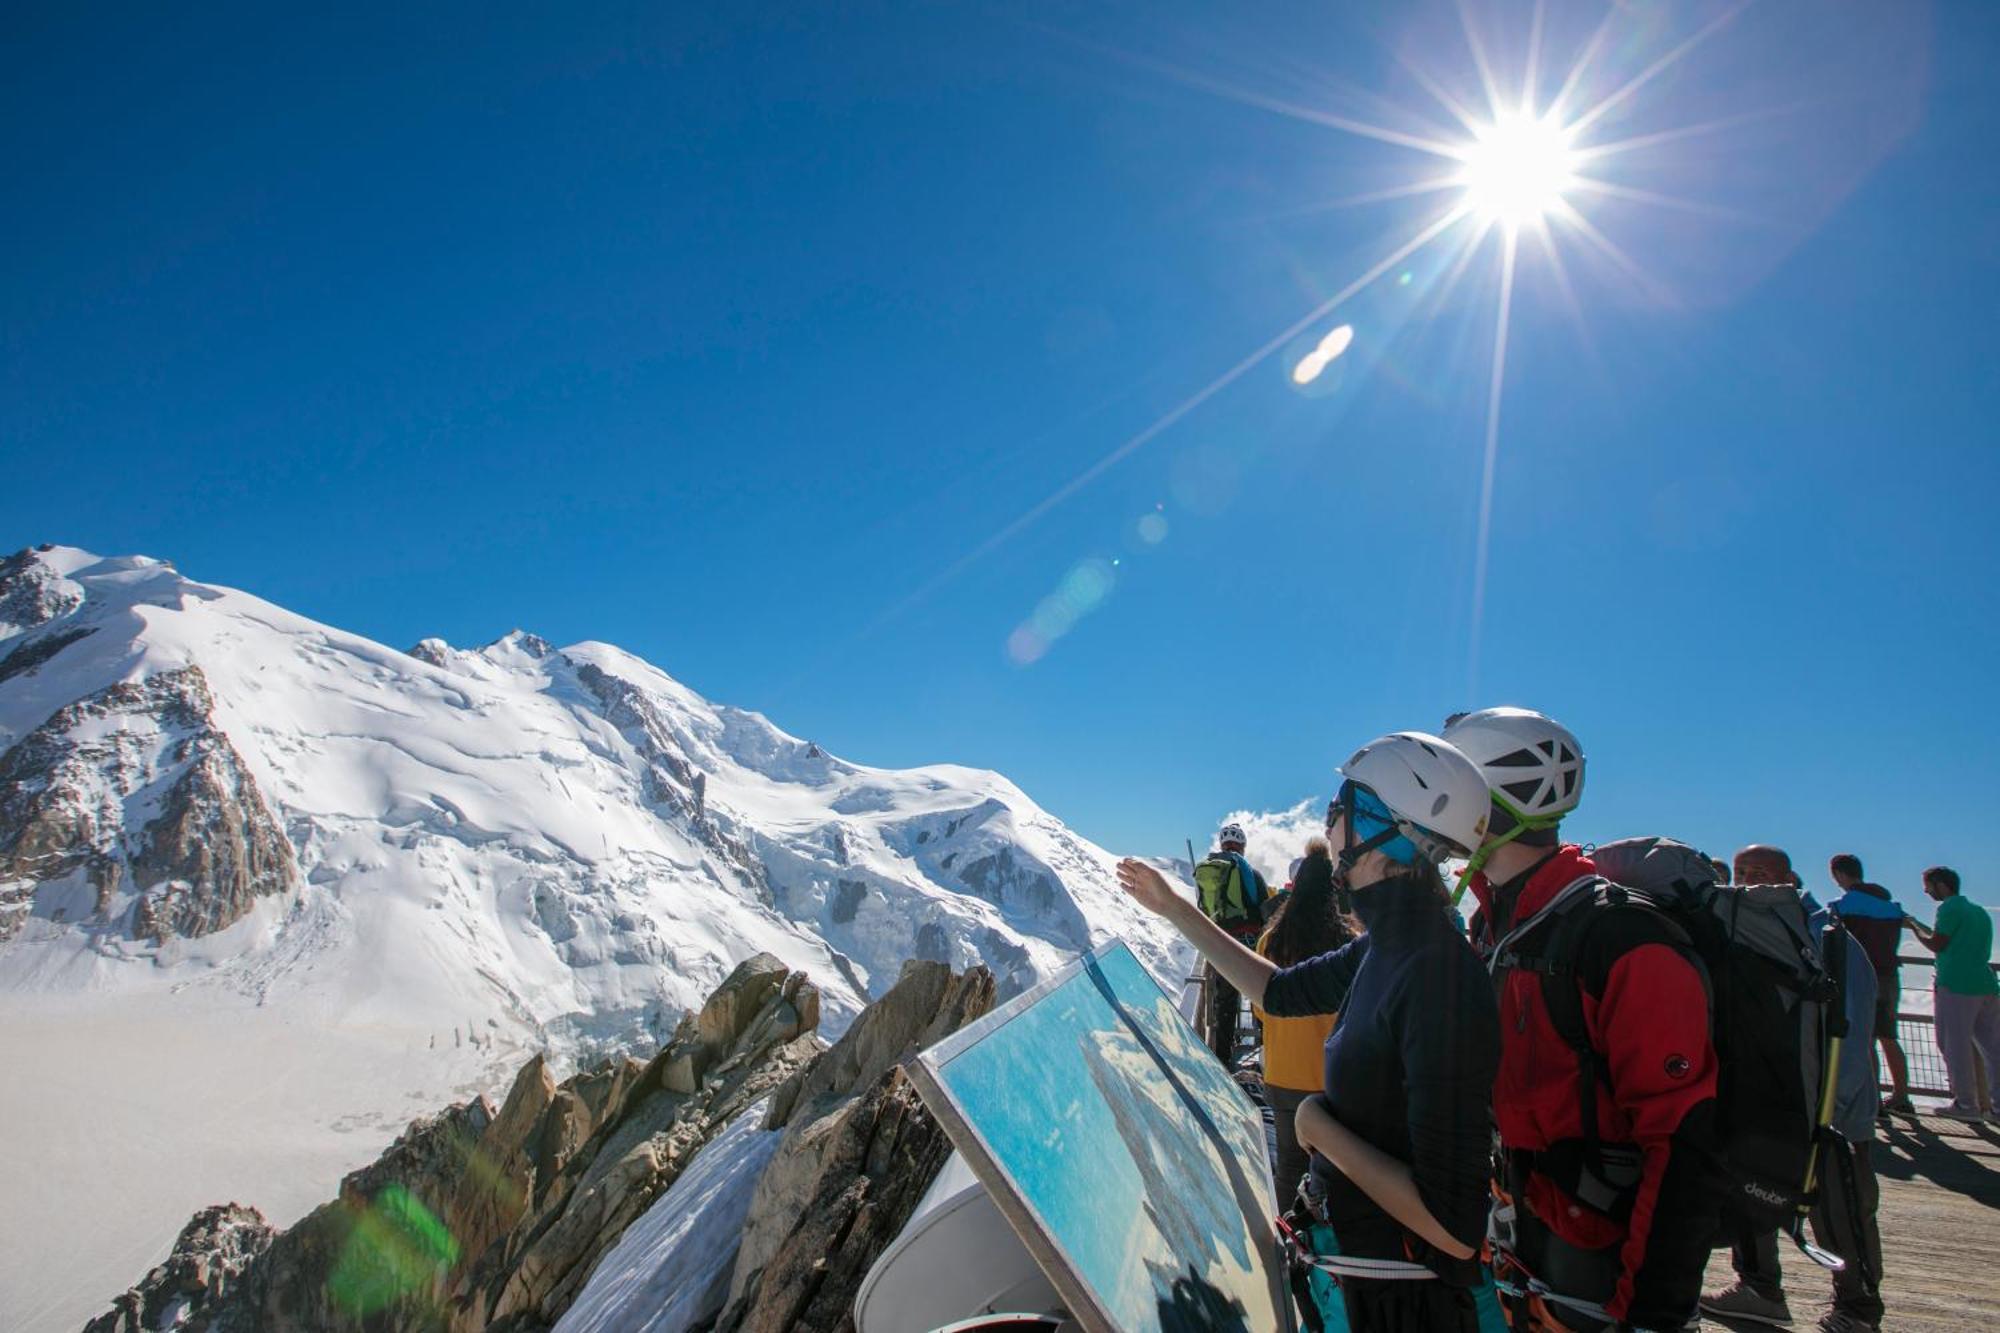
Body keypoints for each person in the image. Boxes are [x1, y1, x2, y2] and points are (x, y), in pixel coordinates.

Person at [1116, 732, 1499, 1331]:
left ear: (1382, 826)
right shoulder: (1390, 947)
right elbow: (1278, 991)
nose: (1332, 820)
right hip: (1361, 1281)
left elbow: (1454, 1228)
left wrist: (1318, 1126)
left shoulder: (1435, 975)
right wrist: (1174, 908)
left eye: (1341, 806)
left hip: (1398, 1304)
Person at [1444, 707, 1720, 1333]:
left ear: (1490, 803)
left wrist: (1651, 1312)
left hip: (1602, 1265)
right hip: (1530, 1228)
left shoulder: (1619, 935)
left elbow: (1683, 1142)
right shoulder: (1497, 924)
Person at [1703, 844, 1886, 1332]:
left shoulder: (1828, 936)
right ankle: (1759, 1288)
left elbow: (1854, 1025)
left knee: (1842, 1210)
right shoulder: (1737, 929)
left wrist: (1835, 1109)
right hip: (1768, 1100)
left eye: (1760, 872)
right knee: (1752, 1194)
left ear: (1790, 877)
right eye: (1741, 872)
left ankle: (1858, 1309)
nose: (1747, 881)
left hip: (1830, 1107)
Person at [1252, 838, 1351, 1210]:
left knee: (1289, 1169)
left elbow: (1262, 1010)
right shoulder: (1349, 942)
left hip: (1282, 1074)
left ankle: (1283, 1248)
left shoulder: (1269, 941)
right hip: (1333, 1081)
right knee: (1336, 1173)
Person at [1910, 865, 2000, 1122]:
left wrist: (1914, 927)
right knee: (1994, 1049)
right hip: (1985, 984)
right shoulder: (1978, 911)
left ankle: (1966, 1104)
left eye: (1928, 886)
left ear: (1940, 884)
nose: (1926, 891)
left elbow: (1937, 943)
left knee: (1953, 1046)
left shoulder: (1948, 908)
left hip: (1956, 986)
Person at [1827, 853, 1913, 1117]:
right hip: (1888, 975)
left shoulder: (1842, 905)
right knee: (1888, 1036)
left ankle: (1872, 1100)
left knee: (1863, 1040)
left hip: (1858, 978)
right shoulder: (1890, 906)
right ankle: (1901, 1096)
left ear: (1839, 874)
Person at [1192, 822, 1269, 1064]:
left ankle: (1222, 1062)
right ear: (1243, 846)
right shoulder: (1250, 872)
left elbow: (1203, 908)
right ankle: (1270, 1055)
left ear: (1222, 844)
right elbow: (1264, 907)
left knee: (1225, 1004)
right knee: (1260, 998)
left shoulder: (1210, 871)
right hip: (1249, 942)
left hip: (1220, 945)